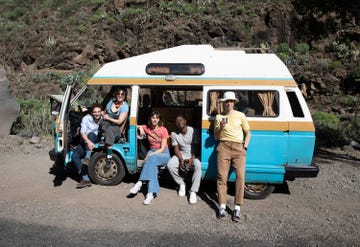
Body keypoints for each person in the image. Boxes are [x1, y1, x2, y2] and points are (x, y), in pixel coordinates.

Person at [214, 91, 251, 222]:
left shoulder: (241, 115)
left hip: (238, 147)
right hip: (223, 146)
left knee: (240, 177)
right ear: (223, 103)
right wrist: (221, 128)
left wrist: (244, 147)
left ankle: (237, 208)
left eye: (230, 101)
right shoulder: (219, 117)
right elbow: (216, 136)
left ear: (234, 103)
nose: (228, 103)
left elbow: (248, 132)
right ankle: (222, 207)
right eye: (226, 101)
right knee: (221, 177)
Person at [129, 111, 171, 205]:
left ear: (159, 120)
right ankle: (150, 194)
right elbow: (136, 125)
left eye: (157, 118)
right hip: (152, 151)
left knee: (150, 159)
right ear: (150, 119)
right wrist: (140, 128)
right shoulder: (147, 127)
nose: (154, 120)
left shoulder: (163, 130)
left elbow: (163, 148)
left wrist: (150, 155)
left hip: (163, 153)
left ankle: (140, 182)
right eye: (153, 118)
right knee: (153, 168)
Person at [167, 115, 202, 204]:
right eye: (177, 121)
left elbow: (197, 149)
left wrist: (191, 159)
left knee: (198, 165)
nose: (179, 122)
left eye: (181, 120)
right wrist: (181, 160)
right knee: (170, 165)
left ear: (185, 121)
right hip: (182, 154)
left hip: (193, 155)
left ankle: (193, 191)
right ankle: (181, 184)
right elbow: (176, 149)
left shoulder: (194, 131)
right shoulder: (174, 133)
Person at [72, 104, 102, 189]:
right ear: (92, 113)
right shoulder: (86, 118)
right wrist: (88, 142)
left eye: (99, 112)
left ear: (101, 112)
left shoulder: (103, 118)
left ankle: (87, 156)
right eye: (95, 112)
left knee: (92, 134)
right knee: (75, 156)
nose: (97, 114)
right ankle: (86, 179)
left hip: (96, 140)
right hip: (86, 141)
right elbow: (83, 132)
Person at [99, 87, 129, 167]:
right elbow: (105, 112)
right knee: (104, 123)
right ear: (115, 94)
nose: (120, 95)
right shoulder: (111, 102)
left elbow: (119, 121)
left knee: (110, 129)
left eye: (122, 94)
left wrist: (108, 118)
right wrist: (101, 113)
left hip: (116, 128)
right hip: (107, 123)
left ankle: (109, 157)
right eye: (118, 93)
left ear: (125, 96)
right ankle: (102, 137)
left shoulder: (125, 106)